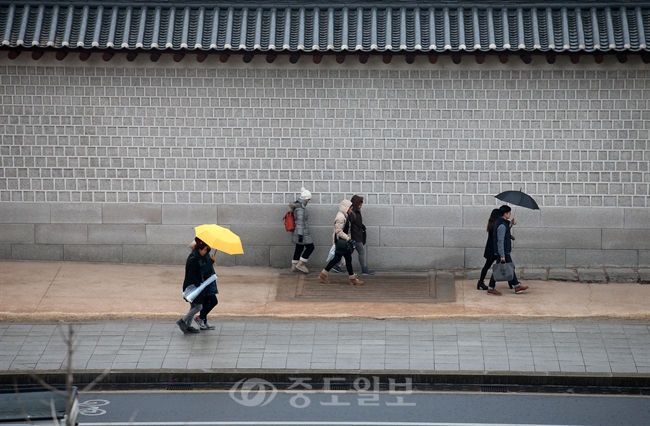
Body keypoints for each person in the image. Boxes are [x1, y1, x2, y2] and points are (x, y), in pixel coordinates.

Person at [318, 199, 364, 286]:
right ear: (346, 208)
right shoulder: (341, 217)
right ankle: (352, 279)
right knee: (347, 259)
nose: (351, 210)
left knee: (337, 258)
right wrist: (348, 239)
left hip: (341, 242)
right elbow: (338, 231)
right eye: (350, 209)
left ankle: (323, 274)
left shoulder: (344, 215)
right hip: (342, 242)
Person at [486, 205, 529, 295]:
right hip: (503, 251)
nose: (510, 214)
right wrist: (502, 255)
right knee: (499, 268)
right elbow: (500, 241)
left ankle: (517, 285)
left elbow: (505, 233)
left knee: (510, 267)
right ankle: (491, 287)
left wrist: (510, 225)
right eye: (509, 213)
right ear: (505, 214)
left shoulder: (502, 222)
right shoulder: (502, 225)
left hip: (503, 251)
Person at [177, 237, 210, 334]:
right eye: (204, 250)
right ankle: (182, 321)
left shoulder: (196, 257)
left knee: (193, 306)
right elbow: (191, 275)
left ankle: (188, 325)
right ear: (199, 249)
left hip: (194, 285)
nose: (205, 252)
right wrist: (199, 283)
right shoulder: (194, 259)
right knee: (199, 307)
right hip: (193, 286)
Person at [188, 240, 218, 330]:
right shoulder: (197, 258)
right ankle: (200, 318)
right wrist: (211, 262)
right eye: (205, 249)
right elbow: (202, 270)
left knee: (206, 302)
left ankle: (203, 321)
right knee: (213, 301)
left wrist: (211, 261)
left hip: (209, 281)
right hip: (206, 282)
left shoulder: (205, 255)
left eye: (207, 250)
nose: (206, 251)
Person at [290, 187, 314, 273]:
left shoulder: (299, 206)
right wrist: (300, 234)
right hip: (302, 232)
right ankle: (301, 264)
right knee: (311, 247)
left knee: (299, 247)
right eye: (308, 199)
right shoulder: (301, 208)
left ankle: (294, 266)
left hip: (300, 231)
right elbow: (300, 222)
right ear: (305, 199)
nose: (309, 201)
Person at [477, 208, 501, 290]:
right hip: (494, 248)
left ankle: (480, 282)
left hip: (490, 248)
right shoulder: (496, 224)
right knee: (504, 264)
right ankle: (482, 282)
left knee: (487, 266)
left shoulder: (491, 223)